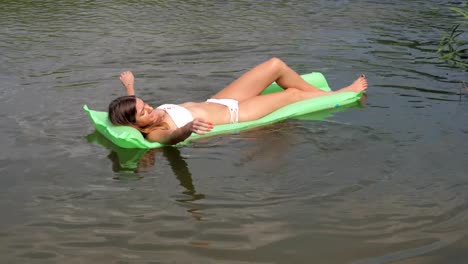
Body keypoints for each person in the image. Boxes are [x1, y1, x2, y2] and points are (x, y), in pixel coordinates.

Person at [108, 57, 368, 145]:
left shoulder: (141, 114)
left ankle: (319, 91)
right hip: (237, 114)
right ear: (138, 125)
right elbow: (170, 139)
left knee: (275, 65)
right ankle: (340, 93)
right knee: (292, 96)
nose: (150, 109)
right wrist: (188, 129)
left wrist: (130, 86)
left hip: (220, 99)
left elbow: (133, 107)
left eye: (145, 104)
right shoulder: (156, 133)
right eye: (144, 111)